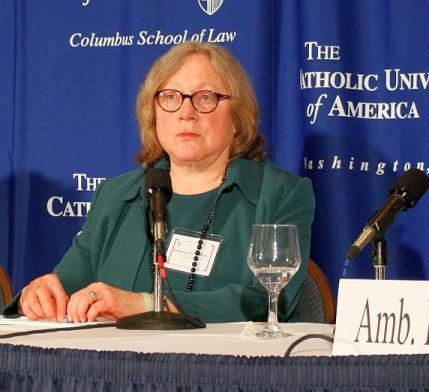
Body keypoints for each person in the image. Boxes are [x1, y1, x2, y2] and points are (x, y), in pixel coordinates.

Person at [4, 42, 315, 323]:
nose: (186, 112)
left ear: (237, 117)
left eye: (205, 98)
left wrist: (146, 304)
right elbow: (66, 284)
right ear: (152, 114)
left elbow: (271, 302)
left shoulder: (280, 195)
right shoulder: (116, 196)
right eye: (170, 97)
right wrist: (41, 294)